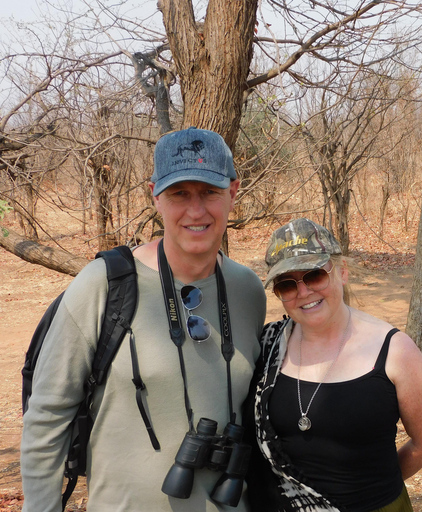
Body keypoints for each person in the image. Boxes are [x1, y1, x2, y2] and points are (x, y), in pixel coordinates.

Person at [21, 127, 267, 511]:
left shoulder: (248, 290)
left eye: (210, 192)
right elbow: (47, 416)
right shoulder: (103, 284)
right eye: (178, 194)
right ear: (154, 195)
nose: (196, 210)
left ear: (233, 192)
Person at [247, 218, 422, 511]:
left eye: (315, 276)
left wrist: (370, 492)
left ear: (342, 272)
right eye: (287, 284)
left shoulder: (394, 351)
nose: (303, 292)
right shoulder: (268, 346)